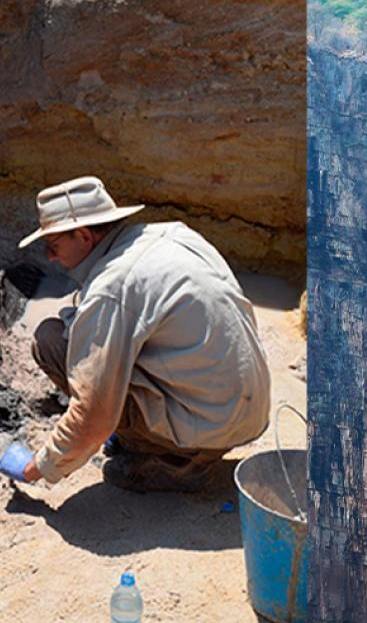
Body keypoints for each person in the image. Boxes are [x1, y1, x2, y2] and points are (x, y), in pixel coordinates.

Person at [17, 175, 271, 493]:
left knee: (51, 344)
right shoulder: (174, 233)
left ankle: (174, 464)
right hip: (249, 410)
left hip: (209, 427)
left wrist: (38, 468)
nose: (50, 256)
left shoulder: (112, 288)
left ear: (83, 235)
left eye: (53, 246)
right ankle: (175, 443)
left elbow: (91, 417)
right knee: (79, 340)